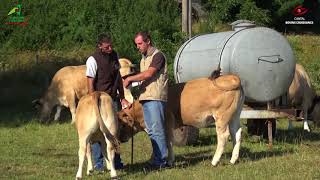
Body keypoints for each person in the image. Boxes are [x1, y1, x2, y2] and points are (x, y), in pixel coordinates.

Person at [123, 31, 170, 173]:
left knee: (157, 130)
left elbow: (149, 74)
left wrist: (130, 79)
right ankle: (157, 159)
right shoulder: (144, 58)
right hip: (146, 98)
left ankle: (162, 161)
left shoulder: (158, 56)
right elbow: (144, 77)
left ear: (148, 41)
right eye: (136, 44)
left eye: (140, 43)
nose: (137, 46)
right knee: (152, 131)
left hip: (155, 97)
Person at [86, 33, 130, 171]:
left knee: (114, 131)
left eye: (111, 45)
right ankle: (99, 165)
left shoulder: (114, 55)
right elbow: (90, 82)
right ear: (99, 46)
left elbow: (118, 77)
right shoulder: (93, 60)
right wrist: (93, 101)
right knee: (98, 131)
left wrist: (122, 96)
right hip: (99, 100)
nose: (110, 48)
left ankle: (116, 163)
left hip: (113, 99)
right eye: (107, 47)